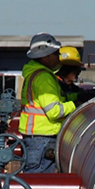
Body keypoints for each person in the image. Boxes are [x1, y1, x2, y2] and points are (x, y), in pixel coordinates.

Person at [19, 32, 77, 173]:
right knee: (39, 186)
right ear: (45, 57)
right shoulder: (44, 77)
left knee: (35, 186)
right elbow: (54, 111)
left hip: (36, 138)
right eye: (56, 54)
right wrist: (76, 104)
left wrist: (74, 97)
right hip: (42, 140)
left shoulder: (35, 74)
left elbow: (49, 102)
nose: (58, 57)